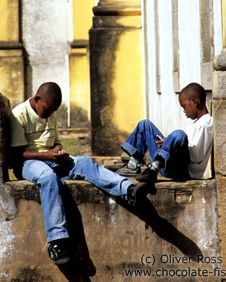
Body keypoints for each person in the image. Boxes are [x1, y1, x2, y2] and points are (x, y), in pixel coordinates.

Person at [9, 82, 149, 266]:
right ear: (37, 99)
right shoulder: (19, 115)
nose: (50, 113)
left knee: (84, 163)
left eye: (53, 110)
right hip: (28, 163)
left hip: (50, 158)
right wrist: (45, 155)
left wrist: (59, 151)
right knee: (49, 178)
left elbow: (56, 142)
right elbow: (16, 155)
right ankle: (57, 241)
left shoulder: (50, 112)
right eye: (48, 109)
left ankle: (128, 189)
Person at [117, 83, 213, 187]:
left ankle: (154, 169)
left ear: (194, 102)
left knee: (178, 134)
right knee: (145, 125)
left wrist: (172, 143)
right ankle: (133, 164)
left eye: (184, 106)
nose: (184, 111)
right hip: (168, 161)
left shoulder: (206, 122)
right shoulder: (197, 123)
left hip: (182, 170)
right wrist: (168, 143)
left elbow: (196, 157)